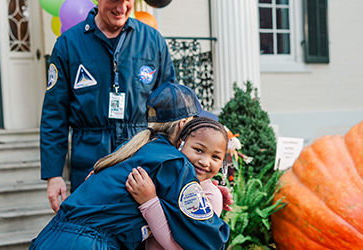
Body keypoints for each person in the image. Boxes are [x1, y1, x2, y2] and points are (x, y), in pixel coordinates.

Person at [30, 82, 229, 250]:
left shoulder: (133, 148)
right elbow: (210, 239)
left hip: (50, 237)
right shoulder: (174, 163)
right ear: (183, 124)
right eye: (197, 123)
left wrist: (205, 188)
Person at [40, 0, 177, 212]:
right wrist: (54, 175)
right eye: (114, 0)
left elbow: (171, 110)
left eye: (127, 1)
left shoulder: (152, 41)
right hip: (89, 158)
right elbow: (54, 114)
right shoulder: (68, 43)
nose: (121, 9)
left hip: (139, 157)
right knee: (90, 233)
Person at [126, 117, 229, 249]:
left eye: (215, 157)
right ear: (180, 144)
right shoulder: (167, 175)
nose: (205, 162)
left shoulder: (210, 196)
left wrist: (149, 201)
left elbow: (179, 246)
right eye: (198, 150)